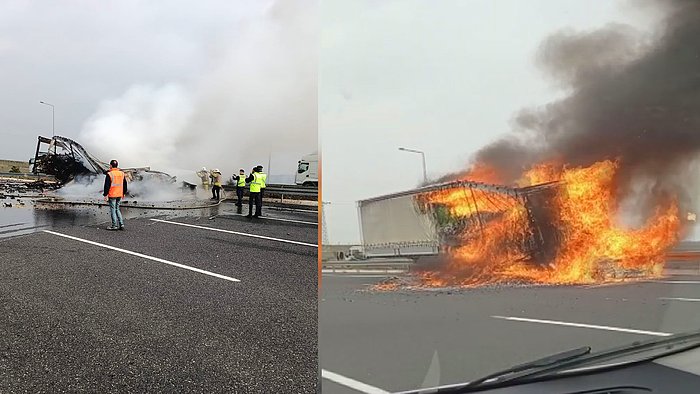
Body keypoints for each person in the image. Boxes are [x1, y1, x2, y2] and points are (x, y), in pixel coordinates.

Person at [103, 159, 127, 231]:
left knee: (113, 210)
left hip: (112, 194)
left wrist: (105, 195)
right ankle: (121, 224)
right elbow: (125, 184)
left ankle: (114, 225)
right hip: (119, 194)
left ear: (110, 165)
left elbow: (107, 186)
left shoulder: (110, 174)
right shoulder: (121, 173)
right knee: (117, 209)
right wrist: (124, 193)